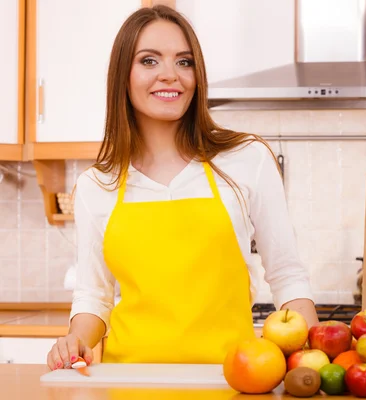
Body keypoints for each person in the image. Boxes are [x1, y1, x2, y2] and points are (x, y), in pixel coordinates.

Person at [46, 5, 318, 370]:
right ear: (122, 76)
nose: (170, 75)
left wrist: (315, 359)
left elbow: (287, 276)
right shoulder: (98, 184)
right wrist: (75, 341)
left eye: (184, 62)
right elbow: (94, 297)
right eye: (149, 61)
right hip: (127, 381)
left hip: (234, 380)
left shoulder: (246, 159)